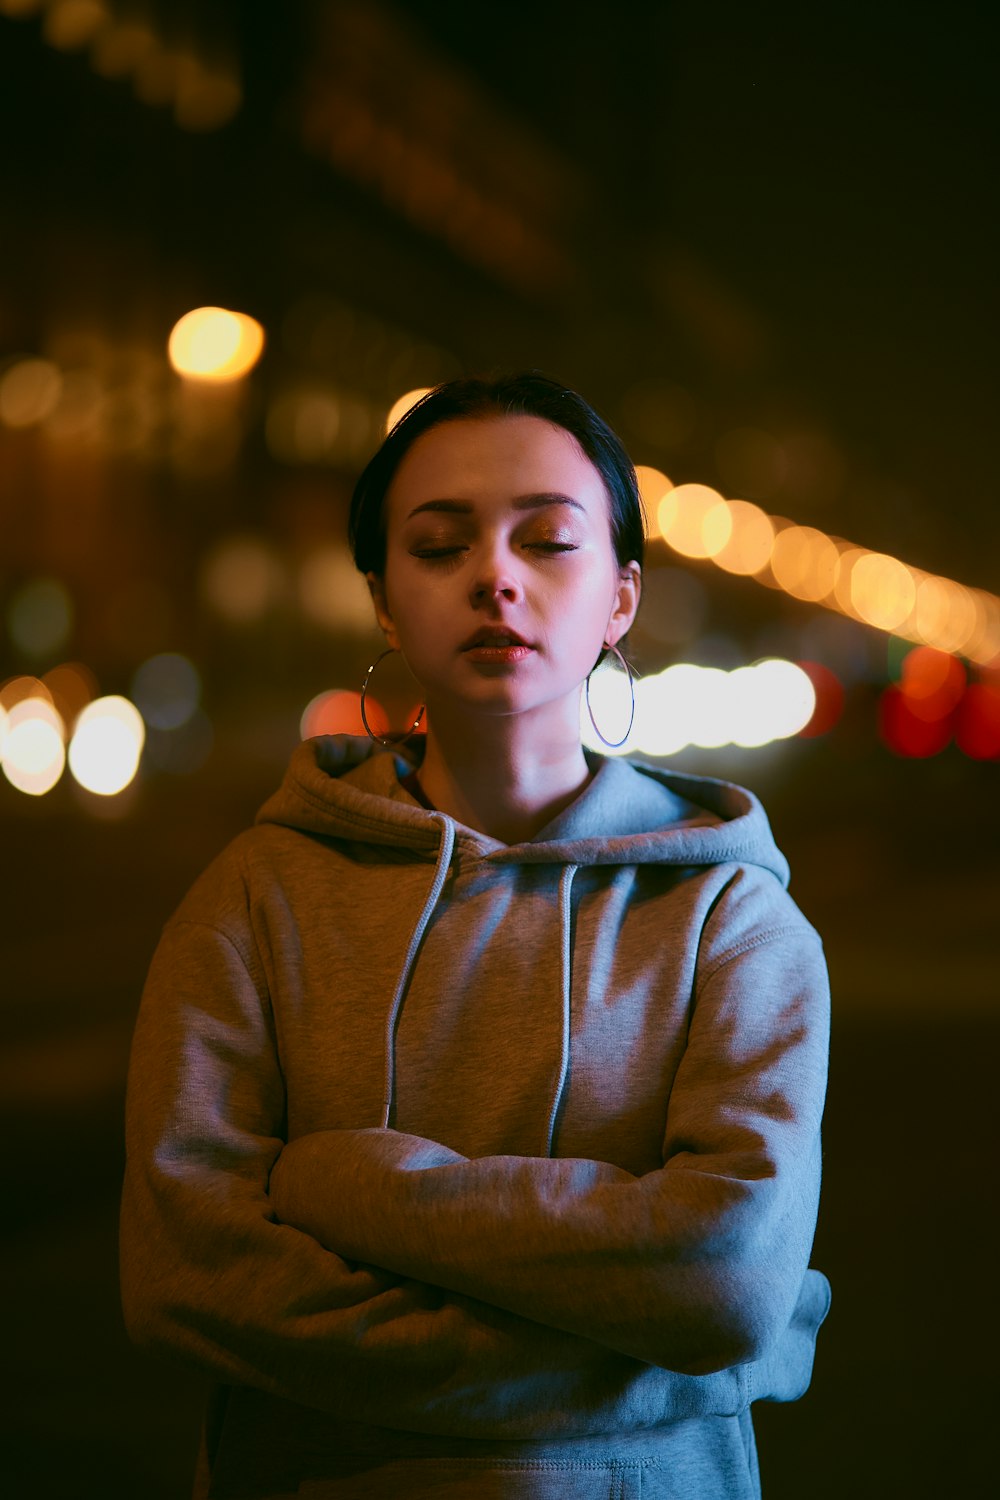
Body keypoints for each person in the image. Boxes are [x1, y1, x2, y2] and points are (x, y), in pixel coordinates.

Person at [120, 372, 831, 1499]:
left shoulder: (727, 919)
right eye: (440, 545)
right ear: (385, 603)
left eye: (548, 541)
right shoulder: (257, 897)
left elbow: (725, 1284)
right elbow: (184, 1278)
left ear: (620, 599)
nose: (495, 576)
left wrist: (350, 1189)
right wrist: (684, 1373)